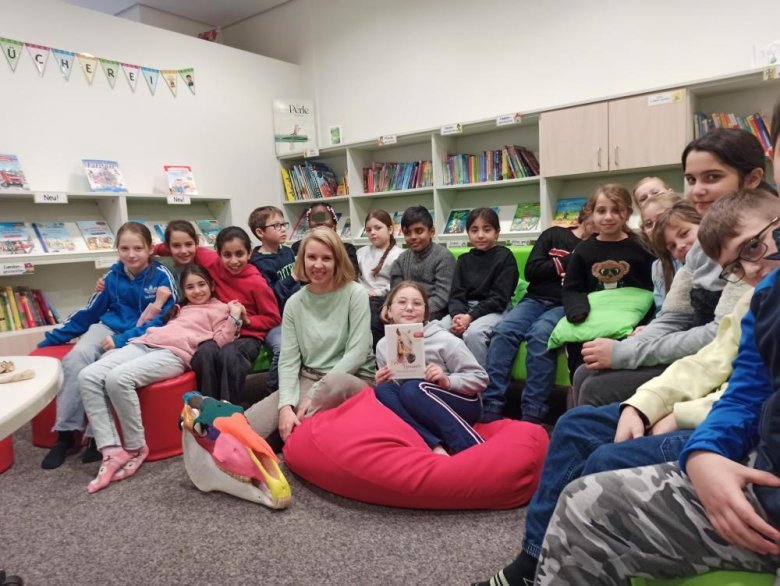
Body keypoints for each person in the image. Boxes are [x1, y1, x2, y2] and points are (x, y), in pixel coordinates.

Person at [471, 192, 762, 586]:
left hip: (721, 422)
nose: (751, 266)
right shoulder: (745, 286)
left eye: (756, 247)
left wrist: (678, 410)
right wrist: (644, 402)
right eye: (738, 262)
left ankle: (565, 564)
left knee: (603, 456)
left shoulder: (751, 282)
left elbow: (740, 383)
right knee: (575, 423)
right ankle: (534, 559)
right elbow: (709, 355)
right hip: (698, 391)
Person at [574, 128, 773, 406]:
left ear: (752, 178)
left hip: (730, 362)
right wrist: (623, 347)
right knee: (585, 373)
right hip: (701, 353)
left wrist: (625, 355)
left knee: (598, 388)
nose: (697, 191)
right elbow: (674, 317)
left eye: (712, 177)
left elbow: (721, 335)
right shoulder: (703, 242)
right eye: (691, 179)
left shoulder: (760, 243)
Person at [78, 265, 243, 493]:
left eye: (201, 285)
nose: (197, 291)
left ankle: (135, 447)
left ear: (211, 285)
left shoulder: (220, 309)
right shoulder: (179, 308)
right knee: (87, 376)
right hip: (144, 343)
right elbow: (141, 326)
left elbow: (222, 341)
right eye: (190, 287)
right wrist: (157, 304)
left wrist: (234, 315)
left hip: (173, 354)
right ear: (183, 290)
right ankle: (111, 449)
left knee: (118, 379)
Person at [38, 221, 177, 470]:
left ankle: (96, 436)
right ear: (117, 249)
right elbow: (89, 312)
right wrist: (51, 339)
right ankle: (65, 434)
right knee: (77, 356)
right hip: (108, 327)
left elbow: (164, 319)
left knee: (103, 367)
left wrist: (122, 340)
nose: (131, 254)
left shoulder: (162, 276)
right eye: (124, 248)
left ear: (150, 249)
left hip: (138, 336)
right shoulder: (112, 277)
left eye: (138, 248)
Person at [243, 228, 375, 442]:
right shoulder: (294, 303)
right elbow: (288, 360)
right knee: (247, 428)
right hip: (309, 376)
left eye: (326, 258)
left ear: (338, 261)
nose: (318, 265)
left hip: (350, 379)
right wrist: (285, 405)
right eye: (311, 257)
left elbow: (357, 354)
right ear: (302, 260)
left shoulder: (355, 293)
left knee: (302, 430)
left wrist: (313, 394)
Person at [479, 206, 592, 423]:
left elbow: (589, 283)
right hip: (534, 299)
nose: (603, 219)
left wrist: (565, 273)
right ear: (585, 216)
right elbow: (532, 270)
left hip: (564, 304)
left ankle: (533, 412)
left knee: (540, 335)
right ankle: (491, 404)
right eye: (598, 212)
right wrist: (567, 263)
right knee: (503, 331)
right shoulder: (554, 234)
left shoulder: (596, 247)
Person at [158, 226, 280, 404]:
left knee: (230, 354)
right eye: (227, 255)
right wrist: (150, 249)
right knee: (205, 352)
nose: (233, 261)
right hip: (216, 331)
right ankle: (208, 405)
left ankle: (230, 407)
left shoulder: (257, 283)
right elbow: (181, 247)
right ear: (218, 254)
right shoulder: (210, 261)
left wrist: (247, 320)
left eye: (239, 254)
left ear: (249, 253)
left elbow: (273, 318)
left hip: (247, 336)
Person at [374, 281, 488, 455]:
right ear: (388, 311)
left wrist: (447, 380)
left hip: (461, 403)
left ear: (425, 312)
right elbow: (397, 392)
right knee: (383, 390)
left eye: (417, 303)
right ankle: (435, 446)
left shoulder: (444, 340)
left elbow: (480, 378)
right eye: (402, 302)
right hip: (418, 404)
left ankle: (470, 446)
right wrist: (383, 379)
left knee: (412, 388)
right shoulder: (384, 345)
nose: (409, 308)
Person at [561, 183, 655, 374]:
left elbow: (653, 289)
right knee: (582, 368)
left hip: (631, 327)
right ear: (591, 214)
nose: (608, 217)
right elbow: (572, 288)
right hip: (591, 322)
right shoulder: (583, 250)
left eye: (616, 210)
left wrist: (647, 323)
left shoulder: (641, 248)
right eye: (601, 211)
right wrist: (578, 312)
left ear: (627, 213)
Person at [440, 208, 519, 366]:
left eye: (487, 230)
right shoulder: (464, 260)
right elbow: (456, 294)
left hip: (496, 309)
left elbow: (499, 298)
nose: (480, 235)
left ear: (497, 232)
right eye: (474, 230)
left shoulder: (505, 257)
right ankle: (448, 375)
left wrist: (470, 317)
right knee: (440, 328)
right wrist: (458, 316)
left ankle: (478, 379)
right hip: (466, 309)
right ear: (468, 233)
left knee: (474, 334)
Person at [248, 205, 300, 395]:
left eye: (284, 224)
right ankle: (275, 393)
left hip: (297, 312)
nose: (283, 229)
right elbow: (269, 298)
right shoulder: (257, 263)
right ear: (260, 232)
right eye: (276, 225)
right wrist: (292, 278)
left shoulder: (287, 252)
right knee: (282, 348)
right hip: (275, 319)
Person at [389, 206, 456, 321]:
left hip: (435, 311)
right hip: (406, 310)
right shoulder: (401, 259)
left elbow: (442, 298)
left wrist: (416, 311)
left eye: (419, 231)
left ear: (431, 232)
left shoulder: (444, 257)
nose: (413, 237)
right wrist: (388, 307)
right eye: (407, 233)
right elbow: (395, 293)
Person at [356, 210, 403, 349]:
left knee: (373, 317)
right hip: (360, 296)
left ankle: (376, 353)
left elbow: (397, 285)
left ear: (390, 229)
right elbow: (356, 278)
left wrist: (376, 292)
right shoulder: (360, 252)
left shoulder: (399, 255)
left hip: (383, 299)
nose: (373, 233)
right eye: (369, 230)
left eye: (378, 228)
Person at [648, 199, 702, 315]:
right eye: (672, 246)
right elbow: (671, 315)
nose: (680, 246)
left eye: (684, 234)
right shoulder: (683, 274)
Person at [290, 202, 360, 277]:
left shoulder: (347, 249)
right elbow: (298, 275)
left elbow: (351, 275)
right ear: (309, 223)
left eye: (324, 217)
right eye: (315, 218)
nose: (319, 222)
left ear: (333, 222)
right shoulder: (298, 247)